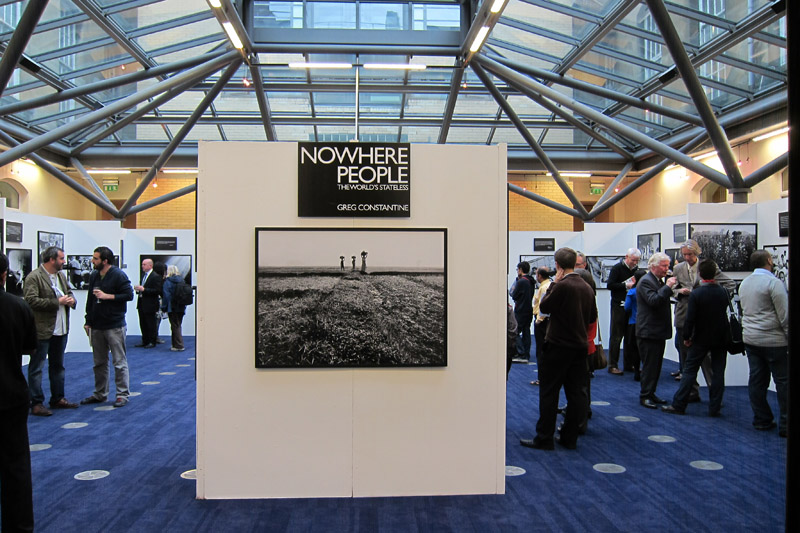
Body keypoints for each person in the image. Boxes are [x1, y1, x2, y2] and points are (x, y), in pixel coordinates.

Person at [520, 248, 596, 451]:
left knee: (549, 393)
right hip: (579, 347)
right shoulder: (587, 287)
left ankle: (544, 437)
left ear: (557, 266)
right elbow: (591, 317)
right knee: (576, 394)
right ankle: (569, 437)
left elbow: (544, 306)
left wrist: (554, 283)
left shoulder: (561, 286)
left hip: (558, 346)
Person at [662, 259, 730, 417]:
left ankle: (679, 404)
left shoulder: (697, 294)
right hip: (720, 338)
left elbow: (690, 319)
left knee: (689, 370)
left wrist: (686, 337)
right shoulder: (723, 292)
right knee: (718, 372)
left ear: (699, 274)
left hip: (700, 338)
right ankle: (715, 407)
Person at [0, 252, 38, 532]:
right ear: (4, 275)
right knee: (16, 467)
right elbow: (29, 347)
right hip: (10, 394)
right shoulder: (17, 307)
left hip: (10, 395)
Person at [671, 240, 734, 400]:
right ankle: (691, 392)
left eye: (690, 254)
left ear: (697, 253)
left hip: (705, 321)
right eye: (684, 254)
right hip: (684, 316)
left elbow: (730, 285)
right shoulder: (678, 268)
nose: (687, 257)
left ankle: (714, 394)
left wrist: (707, 294)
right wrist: (680, 292)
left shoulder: (708, 267)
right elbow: (671, 290)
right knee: (685, 360)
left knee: (708, 361)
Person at [23, 246, 79, 417]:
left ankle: (58, 398)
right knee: (37, 367)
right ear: (51, 260)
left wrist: (71, 300)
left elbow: (69, 292)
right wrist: (57, 302)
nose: (64, 261)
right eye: (61, 258)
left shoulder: (61, 276)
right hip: (42, 330)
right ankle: (37, 402)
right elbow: (31, 301)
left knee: (58, 365)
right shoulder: (34, 277)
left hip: (61, 328)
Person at [738, 249, 788, 437]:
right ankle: (785, 424)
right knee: (783, 383)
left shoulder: (745, 283)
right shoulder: (773, 283)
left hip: (751, 338)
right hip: (774, 340)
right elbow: (784, 315)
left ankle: (761, 419)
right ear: (769, 260)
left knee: (757, 380)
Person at [81, 246, 134, 408]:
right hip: (97, 325)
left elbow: (129, 295)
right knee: (99, 362)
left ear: (105, 261)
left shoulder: (118, 275)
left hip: (114, 325)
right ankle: (100, 393)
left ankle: (122, 394)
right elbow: (90, 300)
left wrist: (108, 296)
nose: (92, 260)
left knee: (119, 361)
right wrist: (88, 320)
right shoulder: (94, 275)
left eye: (95, 258)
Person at [636, 252, 677, 409]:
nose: (667, 269)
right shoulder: (646, 282)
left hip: (657, 331)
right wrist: (668, 287)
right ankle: (645, 395)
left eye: (668, 265)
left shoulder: (657, 281)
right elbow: (654, 301)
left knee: (656, 365)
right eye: (664, 266)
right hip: (648, 332)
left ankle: (650, 393)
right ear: (653, 266)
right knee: (649, 366)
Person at [606, 248, 641, 375]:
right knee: (616, 336)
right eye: (633, 260)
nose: (635, 263)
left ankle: (629, 364)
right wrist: (626, 286)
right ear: (626, 257)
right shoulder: (617, 268)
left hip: (631, 306)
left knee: (630, 337)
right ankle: (612, 365)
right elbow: (610, 285)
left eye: (637, 261)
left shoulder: (637, 270)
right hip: (618, 306)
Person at [623, 269, 646, 381]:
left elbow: (627, 307)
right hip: (646, 323)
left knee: (634, 349)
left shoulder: (632, 292)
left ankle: (636, 371)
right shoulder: (648, 290)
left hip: (633, 322)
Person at [134, 258, 163, 348]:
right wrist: (139, 290)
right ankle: (145, 340)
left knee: (151, 323)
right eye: (142, 264)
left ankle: (152, 341)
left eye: (144, 264)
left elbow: (158, 290)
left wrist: (144, 290)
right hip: (142, 303)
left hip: (150, 304)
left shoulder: (155, 276)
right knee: (143, 323)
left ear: (150, 265)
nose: (142, 266)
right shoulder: (144, 275)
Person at [530, 266, 552, 383]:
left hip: (542, 322)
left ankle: (542, 378)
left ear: (539, 276)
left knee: (541, 351)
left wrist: (539, 320)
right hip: (545, 321)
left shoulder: (544, 288)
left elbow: (543, 307)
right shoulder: (548, 285)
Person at [510, 261, 535, 363]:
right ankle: (526, 354)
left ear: (520, 269)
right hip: (528, 309)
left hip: (520, 310)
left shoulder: (520, 282)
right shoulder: (531, 281)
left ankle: (520, 353)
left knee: (515, 332)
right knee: (526, 332)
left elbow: (514, 295)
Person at [161, 265, 188, 352]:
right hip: (181, 306)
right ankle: (175, 344)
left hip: (172, 307)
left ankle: (179, 345)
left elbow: (166, 296)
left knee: (175, 326)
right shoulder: (182, 280)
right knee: (178, 324)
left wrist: (164, 307)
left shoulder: (167, 282)